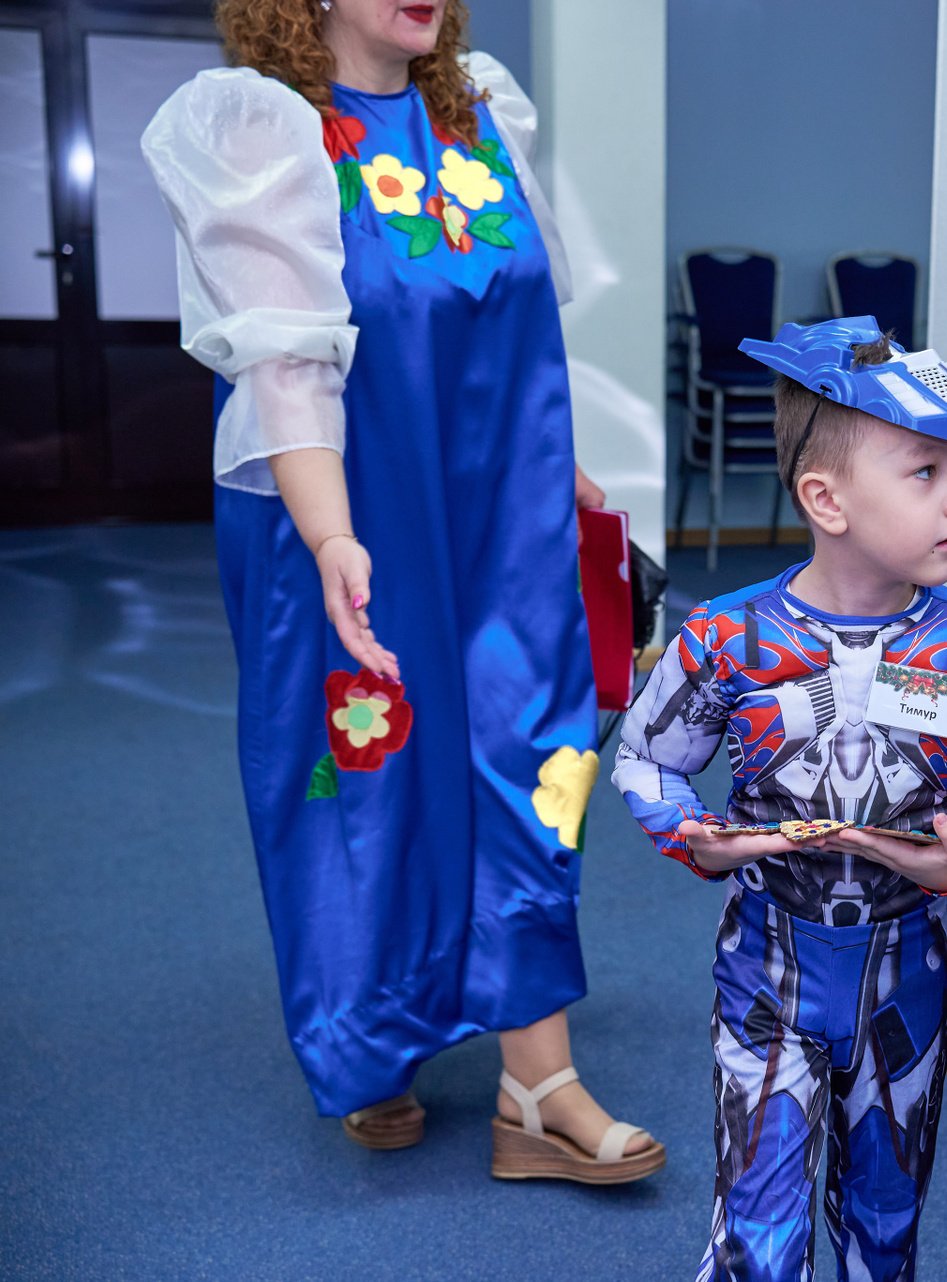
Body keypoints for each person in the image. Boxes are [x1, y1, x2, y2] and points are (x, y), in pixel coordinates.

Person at [142, 0, 661, 1182]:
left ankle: (539, 1081)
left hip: (501, 513)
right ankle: (373, 1042)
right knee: (367, 773)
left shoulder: (481, 113)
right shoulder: (268, 130)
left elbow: (513, 331)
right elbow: (285, 365)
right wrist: (331, 534)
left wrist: (560, 472)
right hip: (348, 510)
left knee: (534, 750)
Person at [613, 318, 947, 1279]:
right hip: (766, 968)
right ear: (826, 498)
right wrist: (693, 837)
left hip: (906, 979)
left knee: (885, 1229)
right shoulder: (727, 639)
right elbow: (646, 759)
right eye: (925, 473)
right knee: (758, 1241)